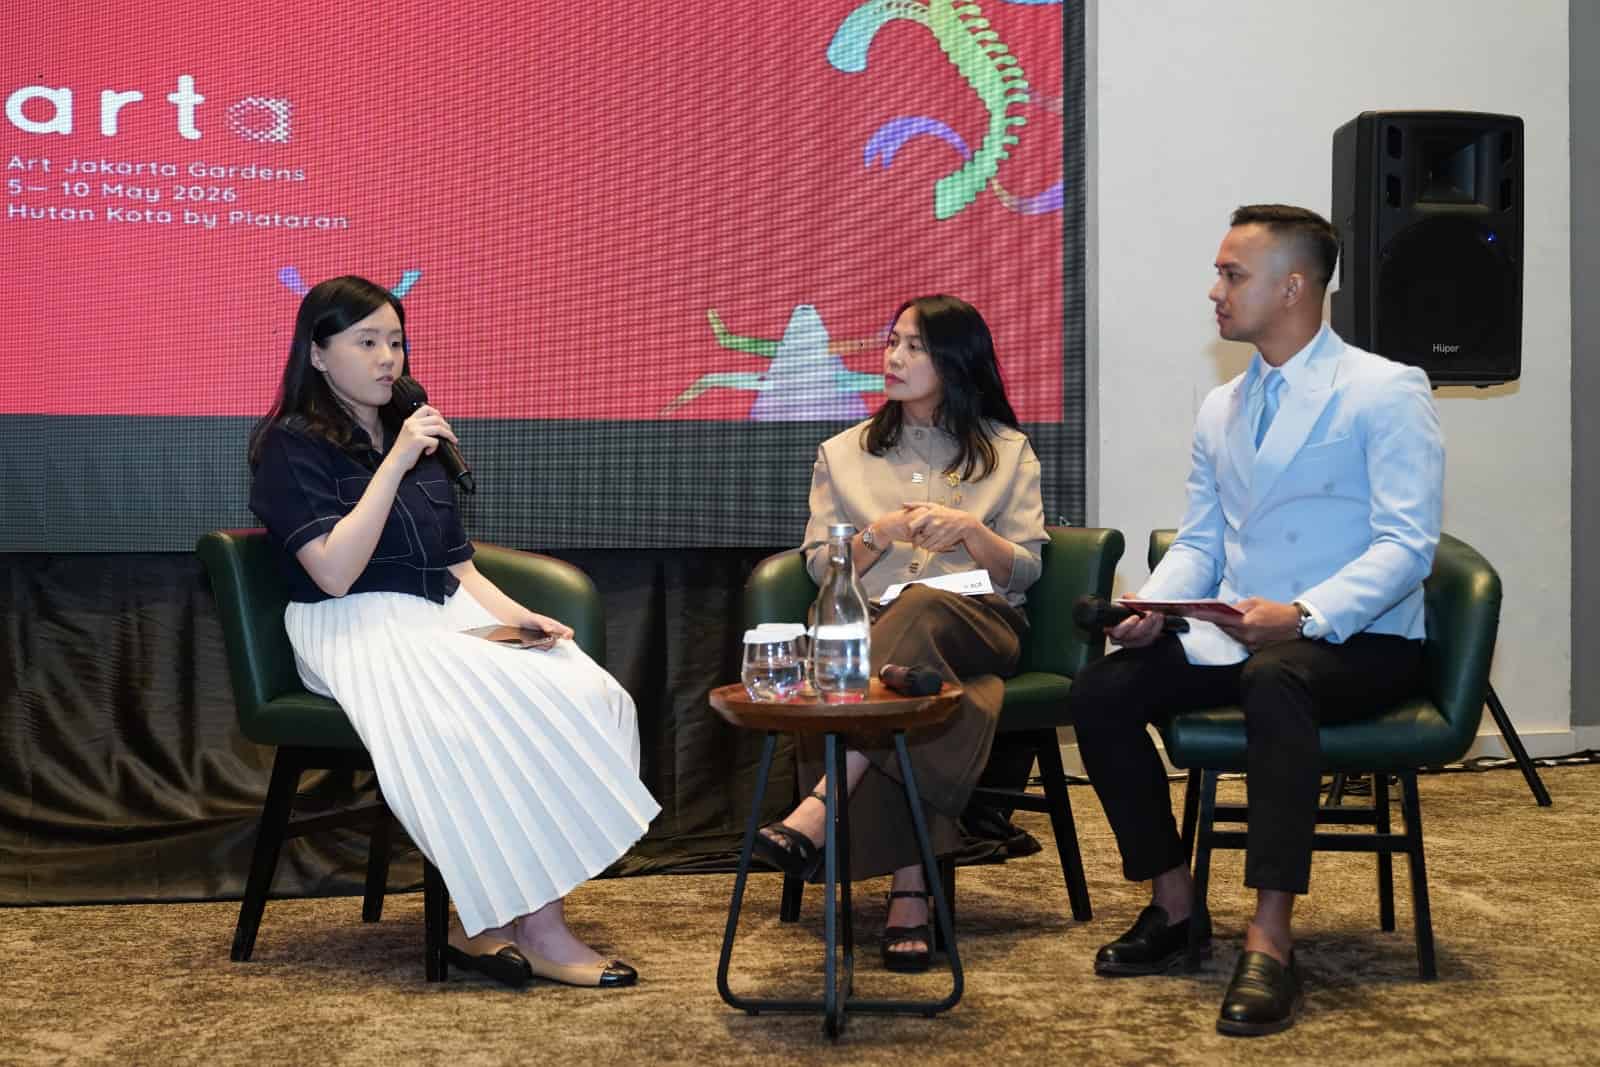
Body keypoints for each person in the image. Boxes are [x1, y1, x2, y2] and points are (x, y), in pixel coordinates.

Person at [1072, 205, 1444, 1036]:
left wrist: (1305, 613)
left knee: (1277, 679)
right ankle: (1176, 906)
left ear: (1294, 286)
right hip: (1243, 632)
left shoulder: (1385, 390)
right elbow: (1201, 541)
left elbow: (1408, 546)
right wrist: (1152, 608)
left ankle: (1271, 936)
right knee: (1100, 690)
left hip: (1361, 638)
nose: (1215, 290)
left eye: (1232, 274)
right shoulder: (1222, 405)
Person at [247, 276, 660, 989]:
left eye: (396, 341)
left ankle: (495, 916)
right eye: (366, 341)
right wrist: (395, 462)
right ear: (316, 353)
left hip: (441, 613)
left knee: (587, 691)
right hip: (353, 624)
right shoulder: (290, 446)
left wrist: (515, 616)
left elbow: (458, 565)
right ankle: (538, 926)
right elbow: (335, 572)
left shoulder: (414, 432)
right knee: (486, 711)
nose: (388, 358)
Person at [752, 294, 1049, 972]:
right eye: (892, 342)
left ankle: (821, 804)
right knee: (923, 693)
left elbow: (1026, 569)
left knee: (920, 608)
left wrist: (972, 533)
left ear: (956, 360)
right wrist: (876, 535)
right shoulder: (843, 452)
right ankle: (910, 892)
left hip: (979, 620)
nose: (893, 357)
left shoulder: (1009, 451)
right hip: (872, 632)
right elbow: (819, 566)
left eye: (914, 346)